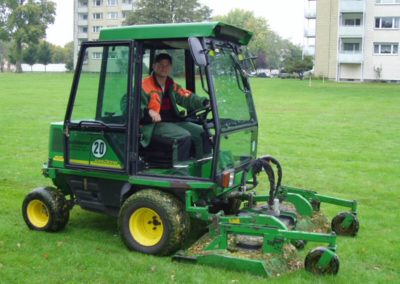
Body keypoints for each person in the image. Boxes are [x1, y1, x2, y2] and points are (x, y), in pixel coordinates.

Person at [140, 53, 211, 164]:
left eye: (167, 65)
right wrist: (148, 111)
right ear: (154, 66)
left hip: (174, 122)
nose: (164, 68)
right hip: (153, 125)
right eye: (160, 65)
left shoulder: (171, 85)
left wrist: (204, 102)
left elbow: (187, 98)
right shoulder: (144, 85)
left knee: (201, 132)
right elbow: (128, 103)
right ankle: (180, 174)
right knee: (183, 136)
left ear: (170, 68)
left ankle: (204, 167)